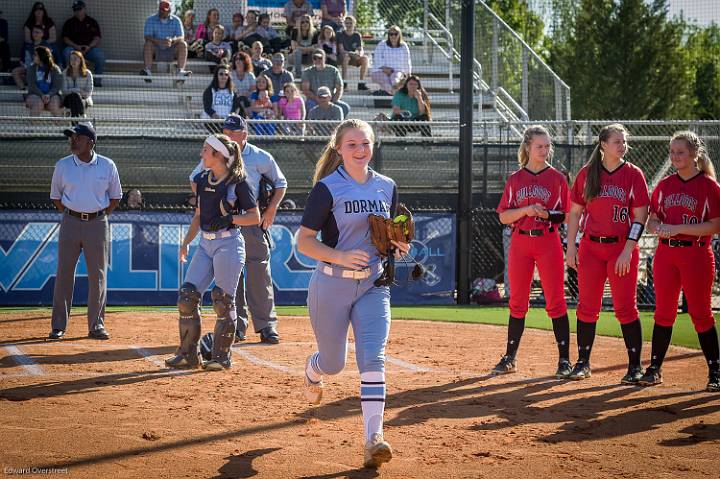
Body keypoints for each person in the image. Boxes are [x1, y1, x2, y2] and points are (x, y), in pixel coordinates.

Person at [297, 119, 410, 468]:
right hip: (331, 283)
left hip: (373, 285)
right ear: (338, 149)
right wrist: (341, 255)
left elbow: (390, 233)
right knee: (334, 363)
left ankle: (373, 439)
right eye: (352, 145)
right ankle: (313, 370)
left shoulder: (386, 186)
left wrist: (397, 244)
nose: (361, 150)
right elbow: (304, 242)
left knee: (373, 360)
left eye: (366, 144)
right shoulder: (327, 188)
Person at [188, 115, 288, 344]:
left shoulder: (260, 156)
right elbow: (194, 178)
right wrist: (208, 201)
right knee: (233, 279)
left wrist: (271, 210)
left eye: (233, 131)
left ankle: (266, 326)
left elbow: (281, 183)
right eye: (226, 131)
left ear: (245, 134)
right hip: (222, 221)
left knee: (259, 272)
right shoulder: (218, 154)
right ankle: (237, 326)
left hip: (251, 221)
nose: (229, 135)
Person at [166, 133, 260, 370]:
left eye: (206, 150)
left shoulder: (238, 183)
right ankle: (188, 354)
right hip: (205, 244)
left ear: (219, 155)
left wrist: (230, 218)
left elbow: (254, 217)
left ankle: (221, 356)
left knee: (223, 301)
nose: (202, 154)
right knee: (187, 297)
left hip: (228, 244)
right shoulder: (202, 179)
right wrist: (186, 242)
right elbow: (198, 216)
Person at [566, 123, 650, 384]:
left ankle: (635, 366)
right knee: (587, 307)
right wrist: (570, 247)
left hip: (621, 249)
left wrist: (628, 249)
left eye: (624, 142)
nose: (622, 146)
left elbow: (640, 217)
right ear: (603, 144)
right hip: (591, 248)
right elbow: (575, 213)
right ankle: (582, 363)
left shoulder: (633, 174)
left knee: (626, 308)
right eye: (617, 141)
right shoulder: (587, 173)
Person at [640, 131, 720, 391]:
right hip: (666, 255)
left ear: (694, 154)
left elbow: (716, 225)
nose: (675, 156)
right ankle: (654, 369)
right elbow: (652, 219)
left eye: (680, 152)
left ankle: (715, 372)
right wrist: (658, 227)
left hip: (696, 254)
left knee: (701, 314)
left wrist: (678, 229)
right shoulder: (665, 185)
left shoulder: (708, 186)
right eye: (672, 152)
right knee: (663, 312)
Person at [492, 126, 572, 378]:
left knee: (556, 302)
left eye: (548, 146)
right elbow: (504, 216)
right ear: (527, 147)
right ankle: (510, 357)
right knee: (517, 302)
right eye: (540, 146)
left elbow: (567, 214)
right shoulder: (516, 179)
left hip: (548, 242)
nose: (545, 150)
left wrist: (547, 214)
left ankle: (564, 360)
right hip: (521, 243)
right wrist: (526, 210)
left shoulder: (557, 178)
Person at [49, 123, 122, 341]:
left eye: (78, 138)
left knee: (98, 276)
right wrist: (74, 214)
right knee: (64, 274)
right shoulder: (62, 165)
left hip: (97, 224)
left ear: (91, 142)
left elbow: (115, 197)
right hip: (70, 222)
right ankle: (58, 326)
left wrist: (97, 215)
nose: (73, 141)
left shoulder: (107, 165)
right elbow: (56, 197)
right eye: (71, 137)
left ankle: (96, 326)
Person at [141, 0, 191, 82]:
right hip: (156, 50)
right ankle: (148, 71)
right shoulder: (150, 20)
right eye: (161, 9)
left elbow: (181, 37)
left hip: (171, 50)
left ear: (170, 10)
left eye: (165, 9)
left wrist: (172, 40)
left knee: (183, 44)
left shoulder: (176, 20)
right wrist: (159, 41)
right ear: (158, 8)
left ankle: (180, 71)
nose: (162, 11)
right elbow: (147, 36)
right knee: (147, 44)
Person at [61, 1, 105, 87]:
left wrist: (89, 46)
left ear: (84, 9)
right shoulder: (69, 23)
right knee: (66, 53)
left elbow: (97, 37)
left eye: (79, 9)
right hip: (74, 49)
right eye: (75, 9)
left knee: (100, 57)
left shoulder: (92, 22)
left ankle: (97, 81)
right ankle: (70, 80)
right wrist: (76, 46)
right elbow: (65, 39)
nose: (78, 11)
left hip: (89, 49)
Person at [302, 49, 349, 118]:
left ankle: (337, 126)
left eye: (320, 58)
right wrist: (319, 99)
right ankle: (312, 127)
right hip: (314, 99)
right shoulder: (307, 72)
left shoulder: (333, 70)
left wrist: (331, 101)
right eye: (315, 58)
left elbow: (339, 88)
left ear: (325, 58)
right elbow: (306, 90)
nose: (317, 60)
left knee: (344, 107)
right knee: (309, 105)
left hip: (330, 99)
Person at [370, 26, 411, 95]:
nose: (393, 36)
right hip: (379, 70)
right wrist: (384, 68)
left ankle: (395, 96)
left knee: (395, 81)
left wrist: (408, 74)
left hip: (397, 71)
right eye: (391, 34)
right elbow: (377, 59)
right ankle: (396, 95)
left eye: (396, 34)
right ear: (388, 35)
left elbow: (407, 61)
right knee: (385, 81)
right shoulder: (382, 44)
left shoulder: (404, 46)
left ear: (399, 35)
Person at [26, 45, 63, 117]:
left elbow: (57, 86)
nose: (33, 56)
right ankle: (32, 127)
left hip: (52, 95)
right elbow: (32, 85)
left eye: (35, 55)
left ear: (41, 56)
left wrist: (48, 95)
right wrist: (42, 95)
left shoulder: (55, 69)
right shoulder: (31, 68)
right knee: (38, 104)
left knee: (53, 105)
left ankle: (60, 126)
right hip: (34, 94)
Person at [337, 16, 369, 91]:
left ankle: (361, 83)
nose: (348, 25)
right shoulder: (341, 34)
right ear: (344, 24)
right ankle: (344, 83)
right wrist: (352, 53)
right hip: (343, 57)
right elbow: (341, 50)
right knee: (346, 57)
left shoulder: (357, 35)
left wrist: (360, 54)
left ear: (354, 24)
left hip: (354, 57)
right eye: (347, 23)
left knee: (365, 59)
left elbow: (360, 49)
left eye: (350, 23)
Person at [63, 50, 93, 117]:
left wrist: (75, 92)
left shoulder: (88, 73)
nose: (73, 61)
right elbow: (64, 91)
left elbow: (88, 92)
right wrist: (79, 90)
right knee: (74, 96)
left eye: (75, 59)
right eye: (71, 59)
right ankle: (82, 115)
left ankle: (74, 124)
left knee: (75, 98)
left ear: (81, 60)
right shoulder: (65, 72)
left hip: (84, 99)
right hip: (67, 99)